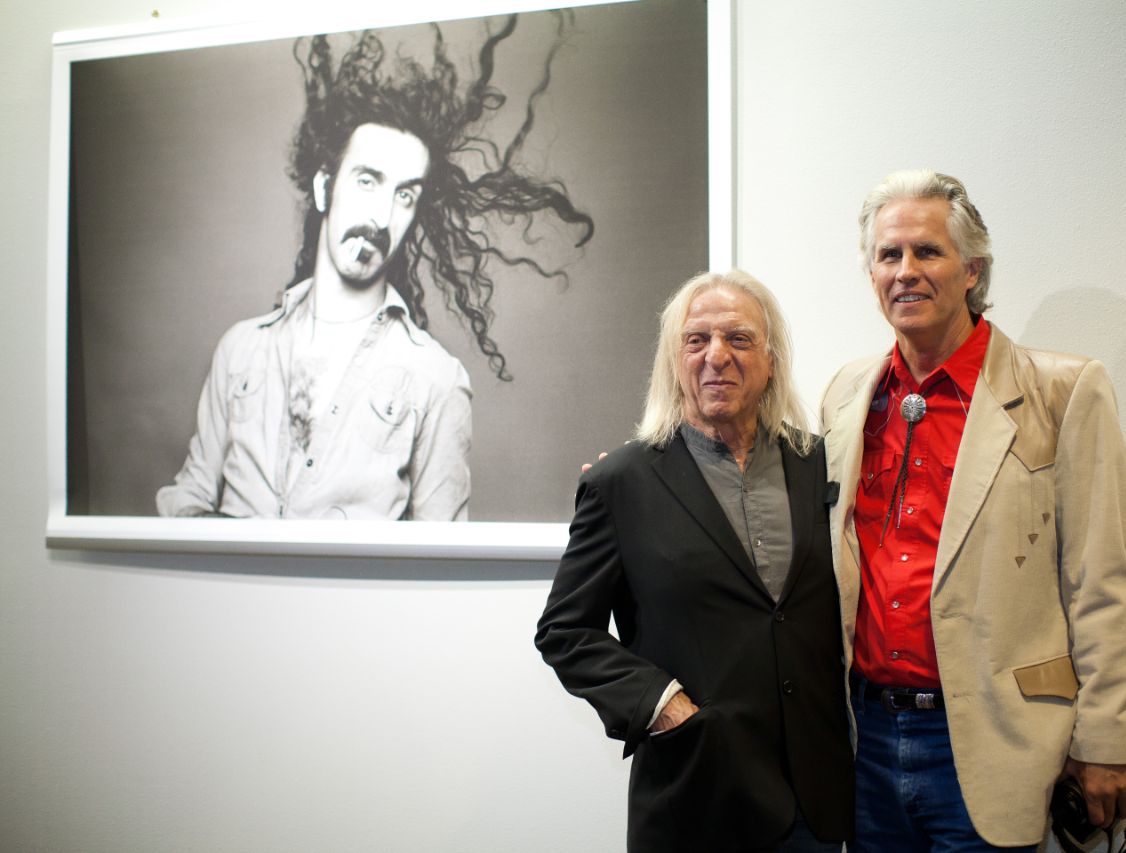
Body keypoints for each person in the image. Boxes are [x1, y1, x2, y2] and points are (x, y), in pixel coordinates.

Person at [821, 170, 1126, 850]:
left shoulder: (1064, 392)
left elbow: (1100, 583)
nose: (905, 272)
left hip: (996, 741)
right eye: (888, 255)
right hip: (865, 739)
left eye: (926, 252)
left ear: (972, 268)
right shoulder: (847, 394)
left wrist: (1108, 740)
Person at [156, 23, 593, 520]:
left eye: (404, 195)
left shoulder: (435, 379)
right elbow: (188, 497)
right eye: (367, 180)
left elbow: (439, 556)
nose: (382, 217)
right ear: (325, 188)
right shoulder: (240, 350)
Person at [536, 271, 856, 852]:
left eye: (738, 338)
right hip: (695, 795)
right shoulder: (621, 482)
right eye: (696, 340)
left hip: (814, 800)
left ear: (771, 360)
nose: (717, 357)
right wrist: (662, 706)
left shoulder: (818, 466)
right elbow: (564, 631)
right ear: (673, 361)